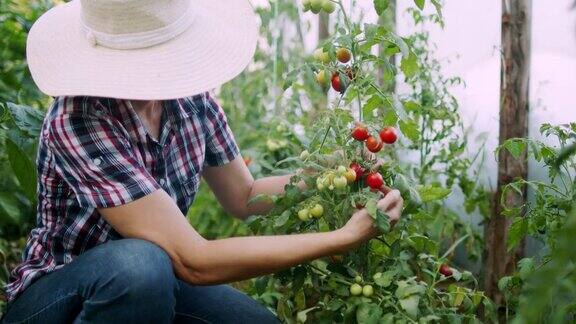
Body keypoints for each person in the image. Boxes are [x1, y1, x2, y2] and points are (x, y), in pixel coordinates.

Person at [1, 0, 404, 323]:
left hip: (155, 281)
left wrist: (332, 172)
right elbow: (193, 261)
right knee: (141, 267)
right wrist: (341, 238)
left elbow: (243, 196)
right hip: (61, 293)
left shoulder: (191, 100)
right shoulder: (79, 118)